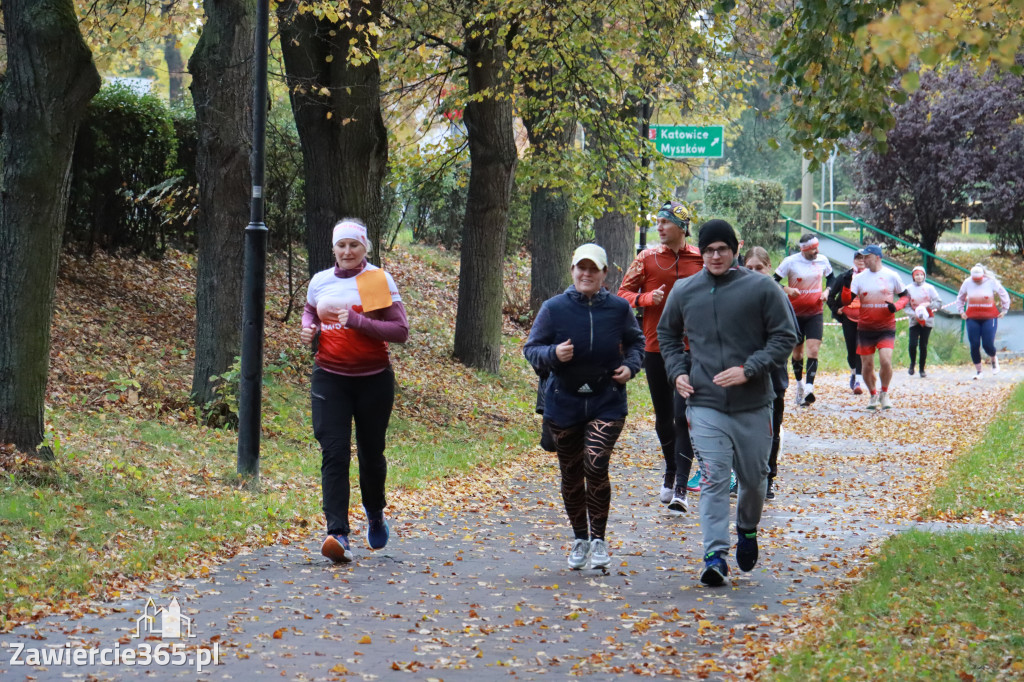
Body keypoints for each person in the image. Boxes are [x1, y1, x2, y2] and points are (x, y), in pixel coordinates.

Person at [658, 221, 797, 586]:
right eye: (708, 250)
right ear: (700, 252)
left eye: (722, 249)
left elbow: (785, 336)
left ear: (735, 249)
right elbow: (667, 334)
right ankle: (715, 554)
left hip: (753, 403)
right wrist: (677, 371)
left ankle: (747, 529)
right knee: (715, 478)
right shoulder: (685, 290)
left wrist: (749, 370)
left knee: (754, 480)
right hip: (704, 402)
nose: (715, 256)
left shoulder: (762, 288)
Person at [525, 244, 645, 570]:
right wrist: (553, 355)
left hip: (607, 400)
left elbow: (637, 342)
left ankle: (599, 540)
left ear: (605, 274)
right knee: (572, 473)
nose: (586, 274)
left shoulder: (619, 309)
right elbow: (532, 349)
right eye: (581, 267)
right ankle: (580, 538)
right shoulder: (554, 308)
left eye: (594, 269)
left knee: (595, 463)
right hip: (564, 401)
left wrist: (631, 366)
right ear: (572, 270)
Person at [301, 219, 409, 564]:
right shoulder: (321, 281)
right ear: (333, 248)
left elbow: (399, 330)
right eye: (341, 245)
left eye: (354, 246)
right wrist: (309, 330)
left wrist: (357, 321)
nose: (347, 252)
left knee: (370, 454)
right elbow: (309, 312)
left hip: (372, 379)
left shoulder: (373, 281)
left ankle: (375, 512)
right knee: (334, 453)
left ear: (365, 249)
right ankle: (338, 534)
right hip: (330, 376)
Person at [617, 201, 704, 514]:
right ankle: (670, 468)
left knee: (684, 416)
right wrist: (645, 299)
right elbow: (621, 295)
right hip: (655, 348)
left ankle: (681, 485)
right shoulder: (647, 258)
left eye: (666, 222)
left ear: (681, 227)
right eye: (658, 222)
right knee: (664, 417)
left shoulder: (700, 258)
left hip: (691, 350)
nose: (660, 227)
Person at [744, 247, 791, 501]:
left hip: (773, 377)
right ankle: (740, 477)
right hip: (740, 376)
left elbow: (788, 336)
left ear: (769, 268)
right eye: (748, 268)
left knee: (769, 430)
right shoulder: (734, 295)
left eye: (758, 268)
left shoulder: (777, 295)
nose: (753, 273)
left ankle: (767, 478)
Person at [773, 233, 834, 406]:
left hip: (815, 312)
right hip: (795, 314)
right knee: (797, 353)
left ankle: (809, 388)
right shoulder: (790, 262)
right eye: (813, 249)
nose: (817, 251)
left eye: (817, 247)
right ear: (804, 250)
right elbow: (773, 281)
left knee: (813, 350)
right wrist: (787, 289)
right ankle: (799, 385)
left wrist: (827, 291)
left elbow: (832, 278)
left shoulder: (822, 260)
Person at [849, 244, 909, 410]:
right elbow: (848, 299)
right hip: (865, 328)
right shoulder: (859, 278)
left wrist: (896, 306)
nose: (864, 260)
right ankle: (873, 394)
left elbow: (905, 296)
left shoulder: (891, 275)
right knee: (867, 365)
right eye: (862, 257)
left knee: (885, 360)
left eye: (867, 257)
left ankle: (884, 392)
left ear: (877, 257)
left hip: (886, 327)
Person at [956, 264, 1010, 379]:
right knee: (974, 344)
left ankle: (993, 358)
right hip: (972, 317)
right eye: (974, 280)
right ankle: (979, 372)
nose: (976, 282)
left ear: (983, 276)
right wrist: (961, 311)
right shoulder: (967, 282)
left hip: (989, 317)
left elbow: (1003, 293)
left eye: (978, 280)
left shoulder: (991, 282)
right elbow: (960, 297)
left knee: (987, 344)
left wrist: (1005, 309)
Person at [826, 252, 867, 394]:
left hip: (865, 319)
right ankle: (854, 373)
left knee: (859, 348)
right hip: (848, 319)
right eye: (858, 258)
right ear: (854, 260)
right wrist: (836, 309)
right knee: (851, 350)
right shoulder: (845, 276)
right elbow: (831, 295)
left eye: (863, 258)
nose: (861, 261)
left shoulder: (872, 277)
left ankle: (858, 382)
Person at [905, 265, 943, 378]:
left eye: (921, 274)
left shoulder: (930, 288)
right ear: (913, 276)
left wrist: (929, 305)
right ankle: (912, 363)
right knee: (912, 344)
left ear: (924, 276)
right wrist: (914, 314)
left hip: (928, 320)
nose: (919, 277)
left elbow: (939, 303)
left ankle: (922, 368)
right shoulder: (908, 289)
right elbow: (906, 306)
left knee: (923, 345)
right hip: (914, 320)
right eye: (917, 274)